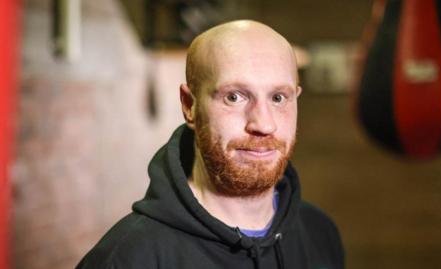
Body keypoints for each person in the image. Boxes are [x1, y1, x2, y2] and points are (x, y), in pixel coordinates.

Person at [76, 20, 344, 269]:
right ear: (189, 105)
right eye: (235, 97)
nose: (263, 124)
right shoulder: (128, 258)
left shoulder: (320, 233)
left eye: (278, 98)